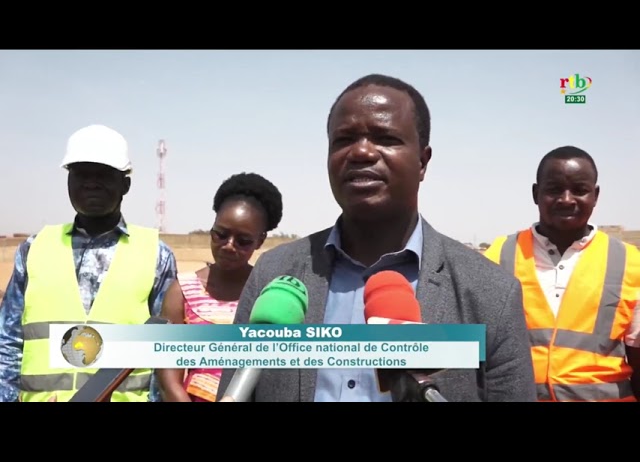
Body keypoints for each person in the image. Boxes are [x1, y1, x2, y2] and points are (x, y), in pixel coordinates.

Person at [216, 74, 537, 402]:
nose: (362, 152)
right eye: (344, 139)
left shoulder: (491, 294)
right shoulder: (275, 274)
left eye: (385, 138)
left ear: (423, 162)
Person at [0, 124, 177, 402]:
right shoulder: (34, 249)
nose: (91, 183)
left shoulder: (156, 254)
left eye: (104, 175)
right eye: (81, 173)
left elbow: (164, 350)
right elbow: (8, 342)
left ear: (125, 185)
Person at [484, 146, 640, 402]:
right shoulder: (498, 255)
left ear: (595, 195)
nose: (566, 199)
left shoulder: (630, 263)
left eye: (579, 190)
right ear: (536, 193)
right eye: (554, 189)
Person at [156, 172, 283, 402]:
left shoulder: (270, 293)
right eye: (220, 235)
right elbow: (168, 378)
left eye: (243, 241)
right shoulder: (182, 292)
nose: (228, 246)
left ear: (260, 241)